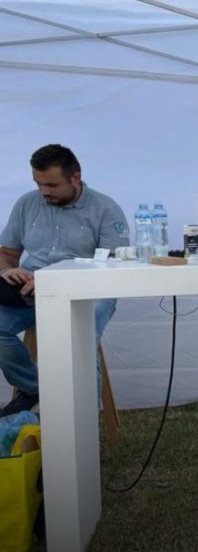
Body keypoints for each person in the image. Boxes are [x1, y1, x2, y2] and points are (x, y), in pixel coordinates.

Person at [0, 144, 129, 417]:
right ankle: (35, 388)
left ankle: (83, 426)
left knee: (79, 338)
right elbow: (7, 253)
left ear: (75, 178)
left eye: (51, 185)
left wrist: (56, 279)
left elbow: (115, 267)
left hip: (88, 291)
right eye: (38, 183)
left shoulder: (105, 208)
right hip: (30, 290)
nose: (43, 191)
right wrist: (6, 270)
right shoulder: (26, 203)